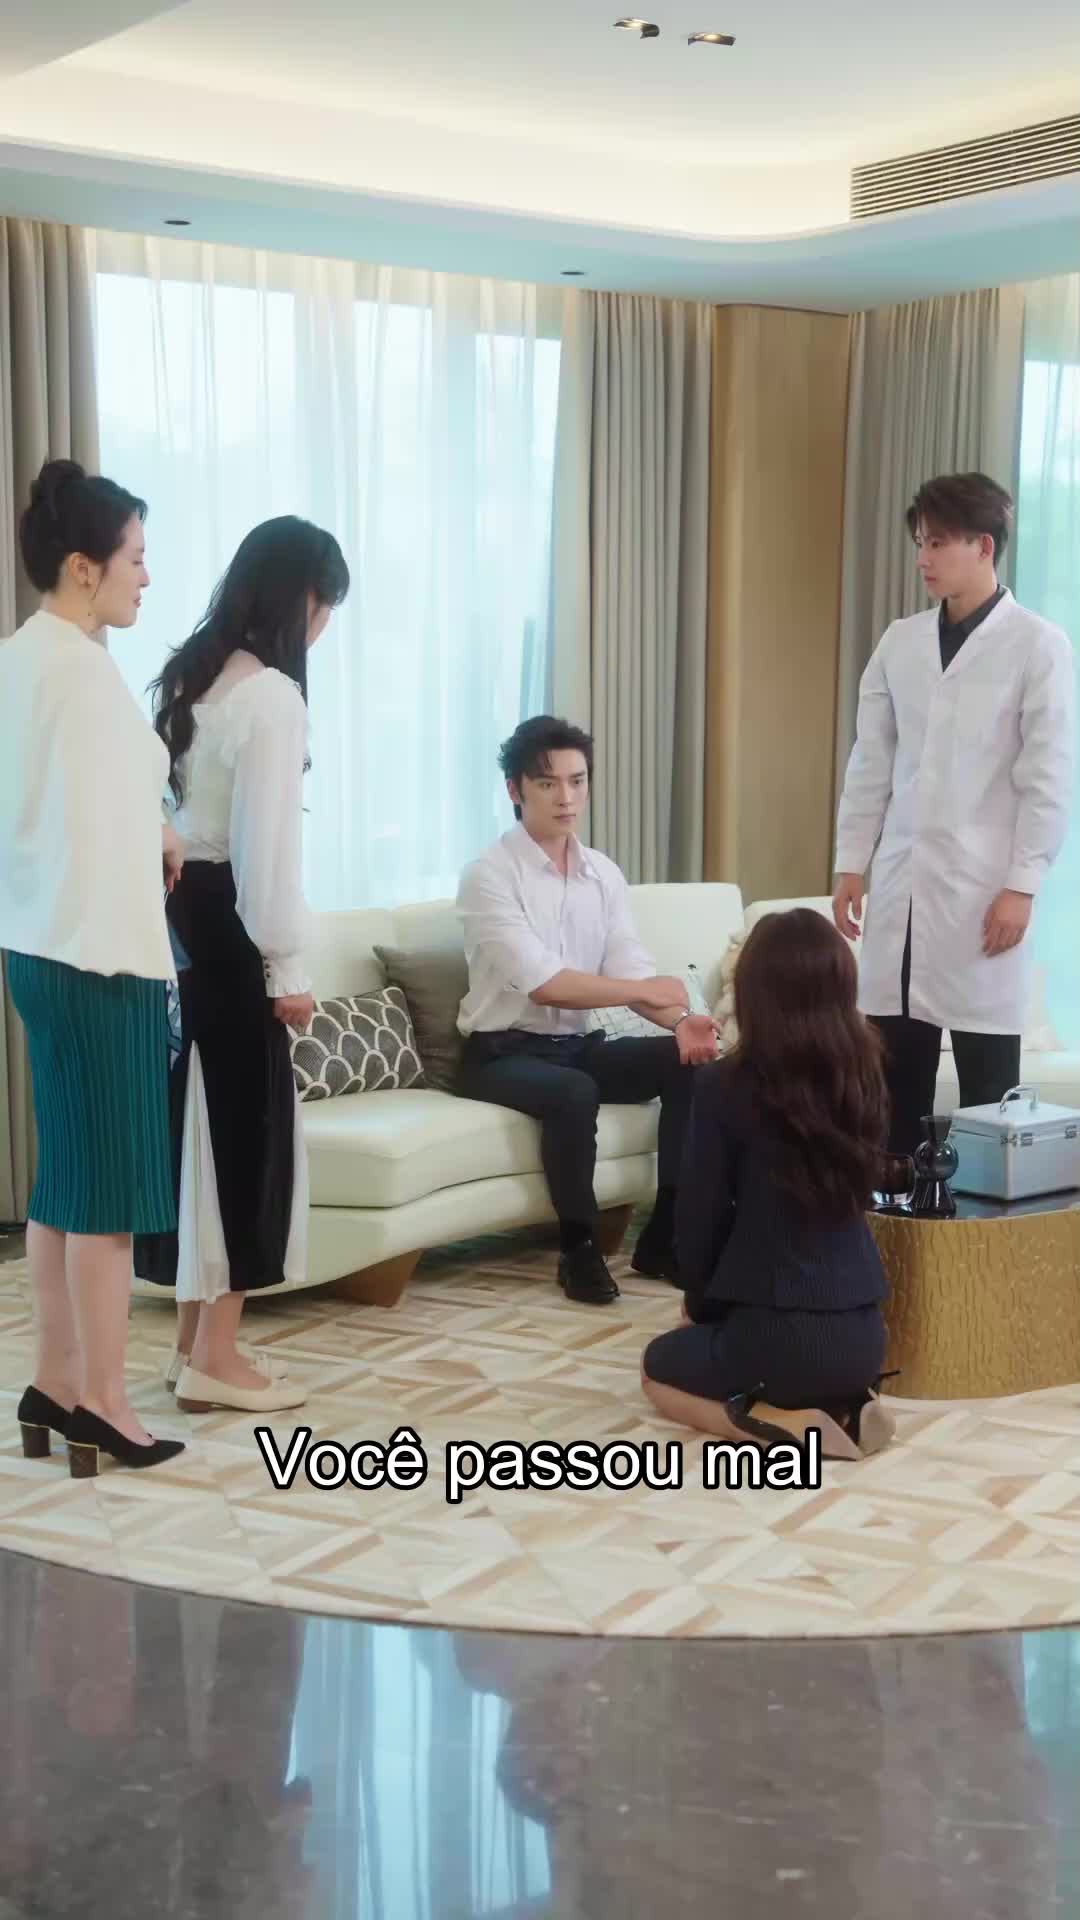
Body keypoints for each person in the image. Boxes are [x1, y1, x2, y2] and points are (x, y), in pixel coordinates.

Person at [133, 517, 350, 1411]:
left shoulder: (194, 678)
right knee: (245, 1136)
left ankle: (193, 1349)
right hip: (232, 927)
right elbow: (267, 857)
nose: (324, 627)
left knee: (199, 1130)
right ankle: (216, 1358)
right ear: (301, 600)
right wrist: (287, 971)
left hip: (181, 915)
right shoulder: (272, 698)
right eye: (326, 607)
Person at [0, 459, 185, 1476]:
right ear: (84, 567)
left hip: (36, 946)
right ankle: (106, 1404)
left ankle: (53, 1382)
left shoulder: (18, 661)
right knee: (107, 1195)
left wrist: (149, 821)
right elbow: (122, 798)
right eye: (136, 559)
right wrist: (161, 828)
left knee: (63, 1184)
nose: (145, 578)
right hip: (104, 957)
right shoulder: (83, 672)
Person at [833, 471, 1075, 1157]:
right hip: (902, 890)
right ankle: (893, 1209)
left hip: (984, 893)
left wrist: (1023, 884)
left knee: (988, 1093)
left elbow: (1048, 776)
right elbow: (871, 761)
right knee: (894, 1087)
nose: (923, 558)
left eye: (938, 543)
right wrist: (851, 863)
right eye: (920, 543)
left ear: (984, 546)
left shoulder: (1038, 645)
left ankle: (985, 1223)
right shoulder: (899, 643)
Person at [455, 715, 719, 1307]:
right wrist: (645, 992)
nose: (566, 797)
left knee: (692, 1064)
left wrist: (681, 1023)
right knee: (574, 1092)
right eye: (547, 783)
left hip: (575, 1047)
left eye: (577, 781)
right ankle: (578, 1249)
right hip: (499, 1054)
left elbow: (631, 969)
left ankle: (667, 1235)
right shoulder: (488, 876)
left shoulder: (604, 874)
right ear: (516, 789)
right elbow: (546, 985)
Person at [641, 909, 896, 1460]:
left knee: (656, 1369)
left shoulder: (723, 1084)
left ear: (756, 992)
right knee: (784, 1356)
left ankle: (784, 1426)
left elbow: (700, 1217)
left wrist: (699, 1306)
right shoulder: (865, 1076)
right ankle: (852, 1404)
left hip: (775, 1336)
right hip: (866, 1335)